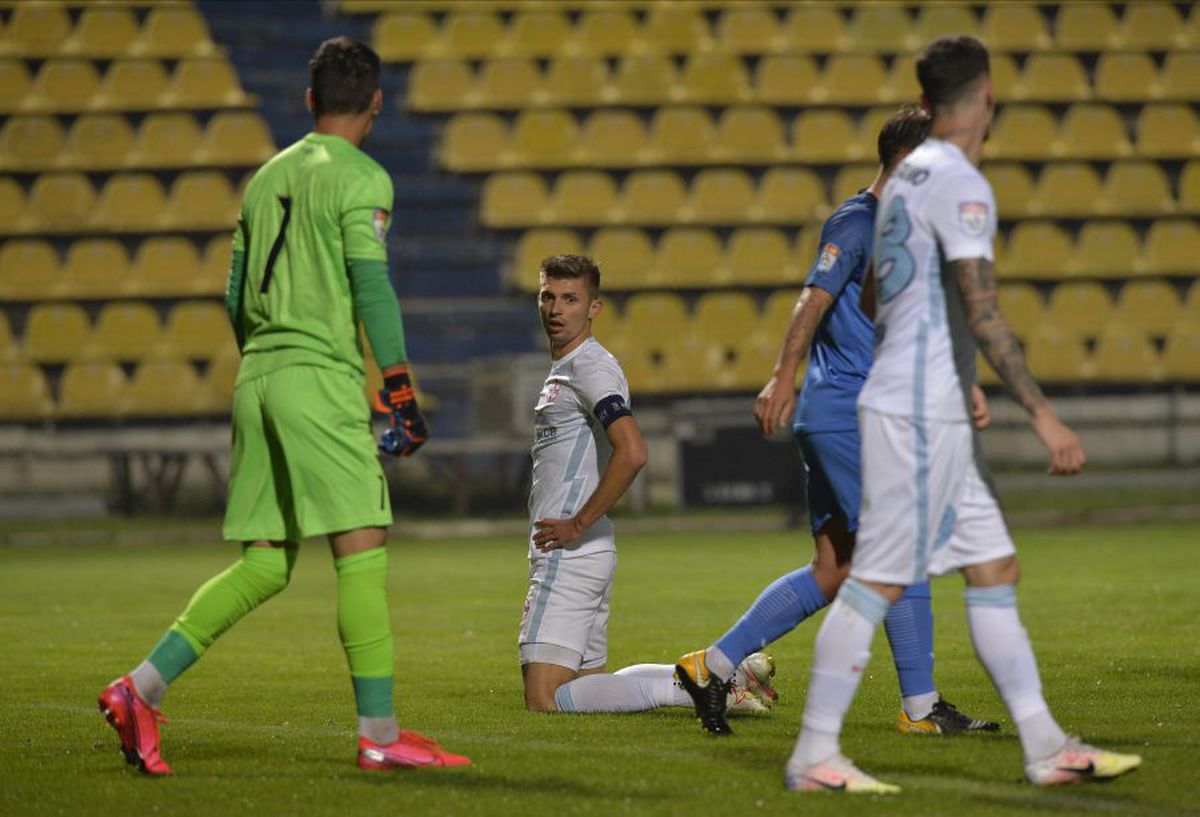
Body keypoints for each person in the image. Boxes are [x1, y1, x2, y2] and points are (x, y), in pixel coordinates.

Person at [97, 37, 469, 775]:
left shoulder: (265, 179)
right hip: (317, 379)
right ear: (376, 104)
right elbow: (371, 287)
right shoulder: (365, 177)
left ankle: (140, 687)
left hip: (258, 376)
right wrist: (397, 385)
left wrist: (267, 362)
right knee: (362, 549)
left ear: (308, 101)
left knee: (265, 564)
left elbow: (234, 295)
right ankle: (380, 733)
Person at [785, 36, 1142, 793]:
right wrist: (1042, 414)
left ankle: (1046, 744)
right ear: (983, 96)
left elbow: (879, 297)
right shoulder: (959, 182)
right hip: (919, 411)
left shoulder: (900, 180)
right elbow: (985, 312)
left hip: (916, 397)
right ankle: (815, 753)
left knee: (992, 566)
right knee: (877, 578)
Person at [673, 106, 998, 739]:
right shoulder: (858, 222)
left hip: (852, 413)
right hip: (848, 411)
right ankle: (922, 709)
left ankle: (709, 666)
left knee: (836, 567)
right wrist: (781, 374)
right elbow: (812, 299)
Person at [520, 254, 777, 715]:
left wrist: (577, 524)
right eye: (548, 296)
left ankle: (703, 688)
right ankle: (724, 674)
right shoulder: (574, 367)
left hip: (569, 552)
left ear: (594, 308)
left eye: (571, 299)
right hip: (589, 551)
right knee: (587, 684)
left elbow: (634, 451)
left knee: (544, 699)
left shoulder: (588, 368)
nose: (556, 309)